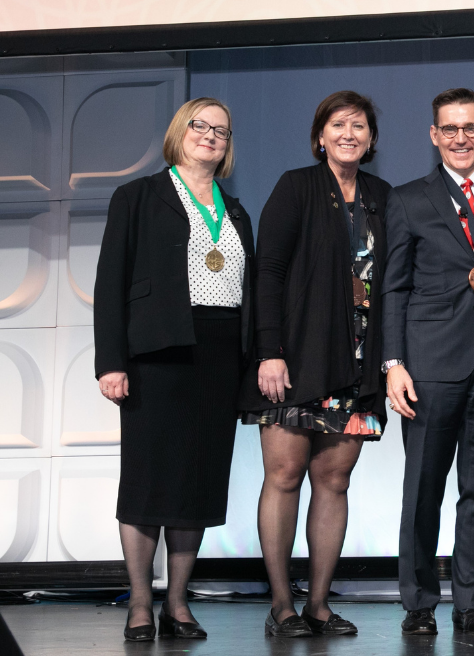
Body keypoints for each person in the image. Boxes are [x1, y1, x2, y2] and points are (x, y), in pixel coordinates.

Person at [94, 97, 253, 642]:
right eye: (200, 126)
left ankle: (178, 605)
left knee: (199, 482)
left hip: (220, 355)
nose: (210, 136)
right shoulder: (137, 197)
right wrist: (111, 362)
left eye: (221, 131)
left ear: (228, 146)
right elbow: (110, 285)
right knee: (147, 481)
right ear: (179, 132)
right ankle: (141, 603)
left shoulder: (235, 212)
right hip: (156, 352)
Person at [238, 91, 391, 638]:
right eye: (338, 123)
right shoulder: (295, 186)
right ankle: (282, 605)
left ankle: (319, 605)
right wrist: (269, 351)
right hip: (295, 360)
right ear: (320, 135)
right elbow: (269, 273)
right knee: (283, 477)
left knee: (335, 479)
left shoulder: (382, 196)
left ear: (371, 138)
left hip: (357, 366)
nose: (349, 132)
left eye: (360, 125)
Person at [383, 88, 474, 636]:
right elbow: (392, 288)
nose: (460, 138)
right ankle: (419, 601)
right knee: (423, 488)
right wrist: (393, 363)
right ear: (433, 136)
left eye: (470, 128)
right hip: (429, 365)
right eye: (450, 129)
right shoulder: (408, 199)